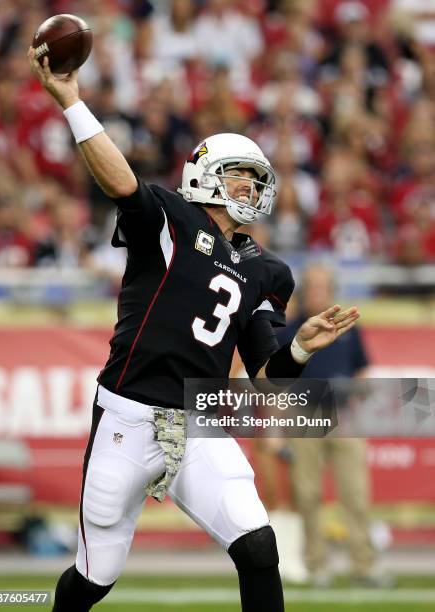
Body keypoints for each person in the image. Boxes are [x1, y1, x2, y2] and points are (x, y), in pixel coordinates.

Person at [28, 47, 360, 612]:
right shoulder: (171, 218)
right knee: (95, 578)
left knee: (259, 547)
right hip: (127, 415)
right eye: (240, 176)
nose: (252, 189)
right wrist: (73, 103)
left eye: (258, 180)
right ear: (206, 174)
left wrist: (301, 346)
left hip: (198, 418)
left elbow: (267, 371)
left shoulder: (266, 270)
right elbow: (122, 183)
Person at [277, 264, 390, 587]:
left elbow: (362, 371)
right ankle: (317, 566)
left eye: (323, 287)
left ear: (332, 291)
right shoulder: (290, 331)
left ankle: (364, 566)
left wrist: (360, 402)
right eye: (312, 287)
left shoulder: (349, 329)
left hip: (343, 417)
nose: (318, 292)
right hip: (304, 414)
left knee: (356, 493)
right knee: (308, 494)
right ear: (303, 292)